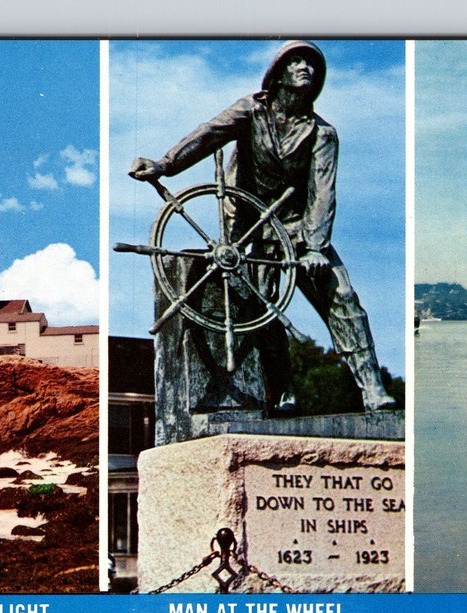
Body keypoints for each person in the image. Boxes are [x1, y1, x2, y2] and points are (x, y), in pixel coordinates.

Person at [130, 41, 396, 413]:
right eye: (296, 61)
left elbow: (323, 192)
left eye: (312, 63)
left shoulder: (323, 134)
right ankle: (283, 390)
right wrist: (165, 164)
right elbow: (206, 136)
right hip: (252, 231)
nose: (306, 67)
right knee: (262, 313)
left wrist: (316, 246)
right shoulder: (250, 111)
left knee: (344, 302)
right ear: (279, 73)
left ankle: (372, 387)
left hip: (302, 233)